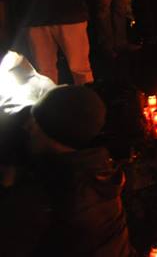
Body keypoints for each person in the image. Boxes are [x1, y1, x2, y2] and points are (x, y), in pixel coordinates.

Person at [16, 86, 135, 256]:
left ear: (54, 132)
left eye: (35, 123)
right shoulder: (100, 168)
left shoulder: (56, 196)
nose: (27, 127)